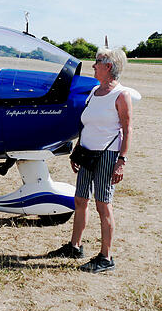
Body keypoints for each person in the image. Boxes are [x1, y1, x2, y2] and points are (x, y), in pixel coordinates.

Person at [48, 47, 135, 273]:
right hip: (87, 152)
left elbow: (127, 129)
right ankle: (74, 246)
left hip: (107, 155)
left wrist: (121, 160)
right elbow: (87, 123)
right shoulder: (94, 91)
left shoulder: (121, 95)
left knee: (102, 205)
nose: (93, 66)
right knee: (80, 200)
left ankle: (106, 257)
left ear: (109, 67)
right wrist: (77, 150)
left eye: (97, 62)